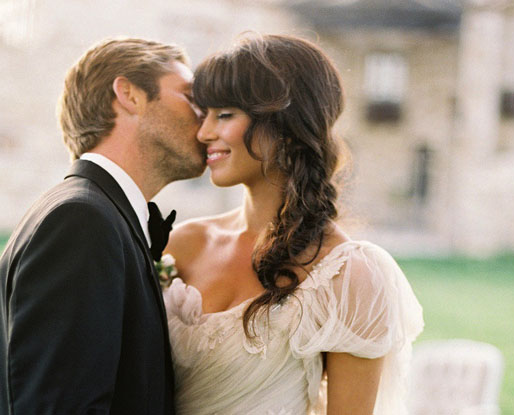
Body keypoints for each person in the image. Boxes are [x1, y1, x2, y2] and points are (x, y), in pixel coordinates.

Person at [163, 34, 424, 414]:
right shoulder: (184, 243)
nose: (204, 133)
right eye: (205, 114)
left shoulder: (348, 274)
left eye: (225, 115)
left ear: (285, 126)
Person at [0, 37, 206, 414]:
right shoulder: (80, 222)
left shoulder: (99, 215)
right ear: (129, 95)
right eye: (189, 96)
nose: (204, 116)